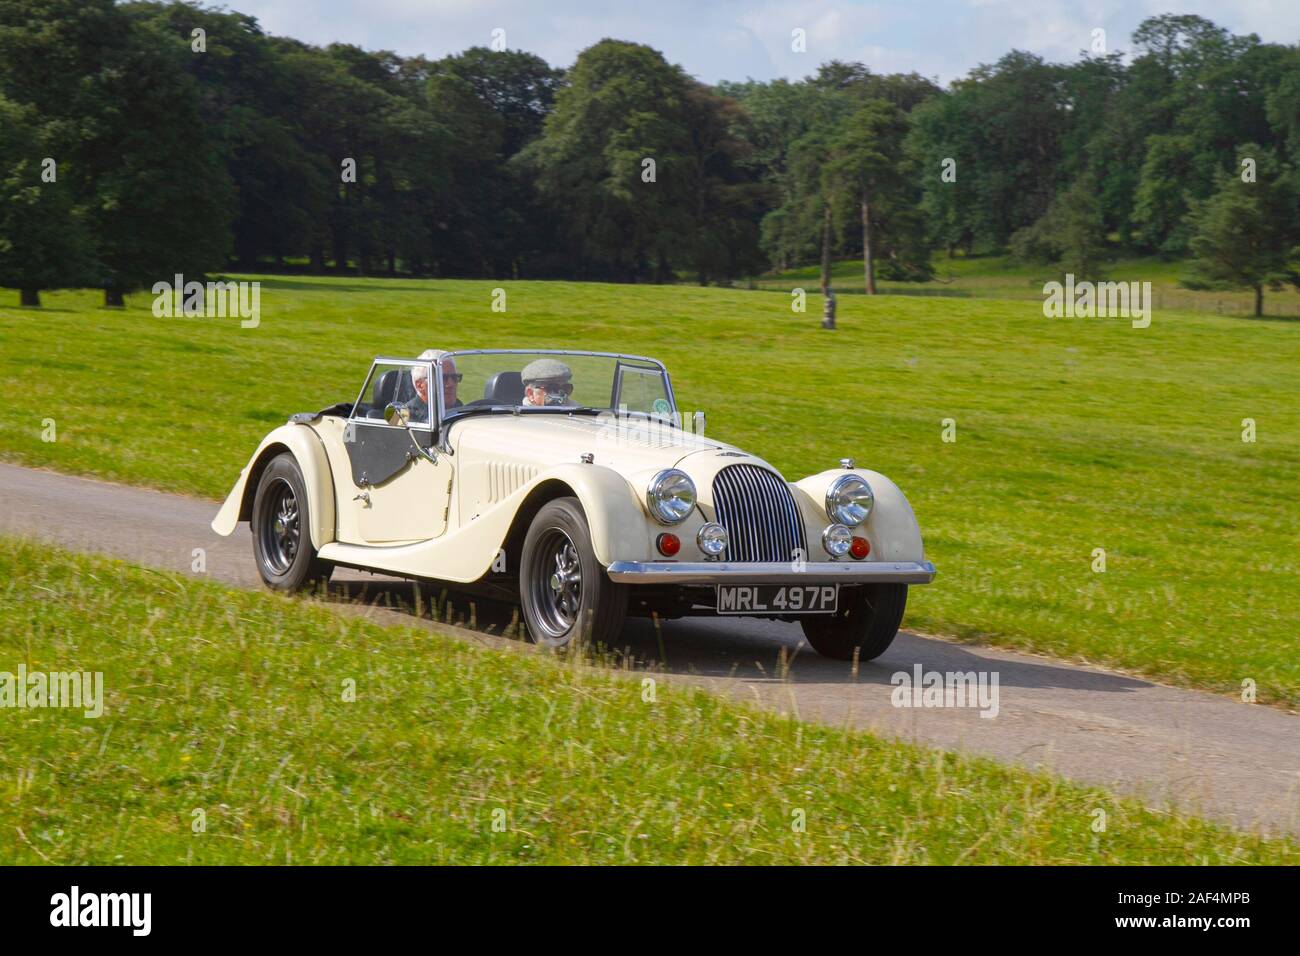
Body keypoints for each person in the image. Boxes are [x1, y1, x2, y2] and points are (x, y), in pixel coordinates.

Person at [409, 348, 463, 421]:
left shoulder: (460, 408)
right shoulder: (403, 418)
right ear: (420, 385)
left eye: (454, 377)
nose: (451, 384)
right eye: (442, 378)